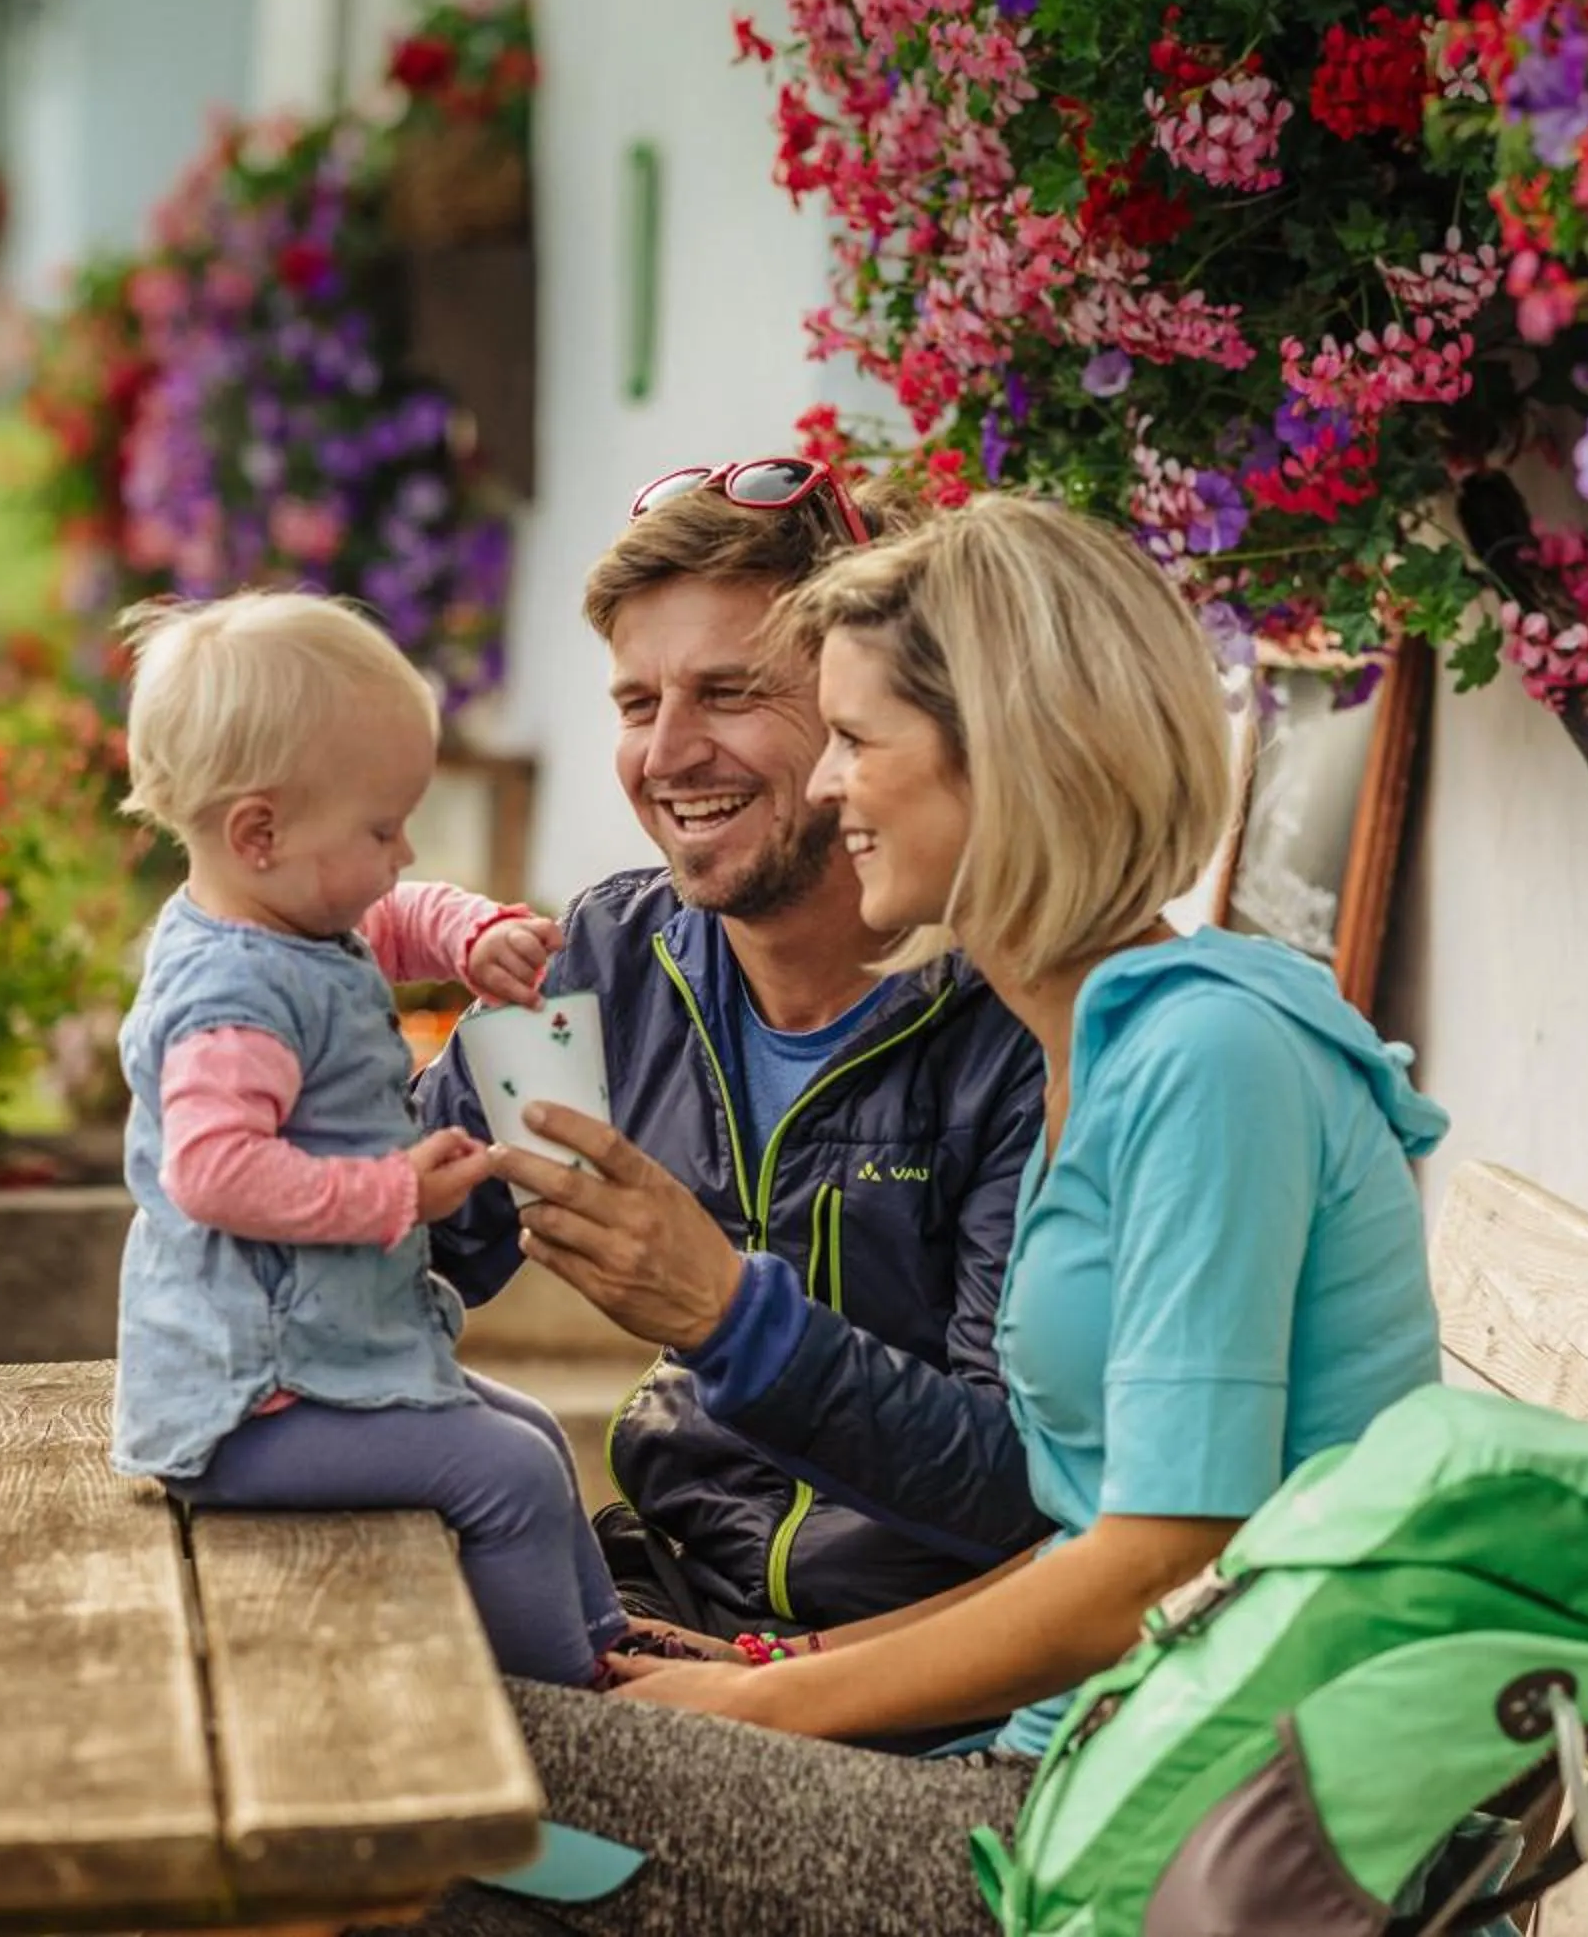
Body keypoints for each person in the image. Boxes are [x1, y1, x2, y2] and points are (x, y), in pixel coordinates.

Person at [428, 495, 1450, 1934]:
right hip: (1072, 1763)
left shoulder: (1205, 1061)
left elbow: (1154, 1564)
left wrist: (750, 1698)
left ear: (1014, 756)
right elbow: (1090, 1526)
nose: (830, 792)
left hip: (1141, 1825)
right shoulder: (1091, 1050)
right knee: (430, 1732)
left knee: (430, 1768)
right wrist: (778, 1672)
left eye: (855, 740)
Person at [414, 460, 1054, 1649]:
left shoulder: (1019, 1028)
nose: (668, 754)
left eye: (730, 691)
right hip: (662, 1584)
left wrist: (729, 1317)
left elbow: (1018, 1493)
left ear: (872, 712)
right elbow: (407, 1235)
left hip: (908, 1658)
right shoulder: (611, 958)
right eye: (636, 704)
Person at [105, 590, 624, 1688]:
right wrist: (393, 1193)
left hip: (322, 1366)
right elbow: (212, 1171)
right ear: (262, 831)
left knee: (529, 1428)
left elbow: (391, 917)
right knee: (511, 1480)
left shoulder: (289, 913)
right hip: (251, 1405)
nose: (406, 849)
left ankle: (609, 1655)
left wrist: (471, 933)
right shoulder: (230, 998)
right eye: (383, 828)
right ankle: (567, 1729)